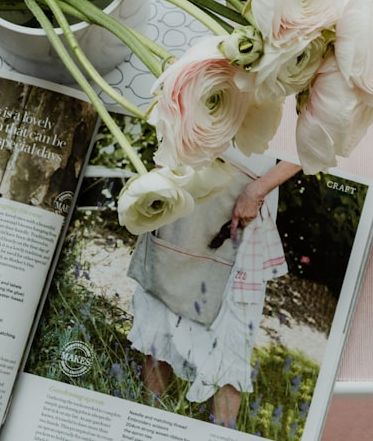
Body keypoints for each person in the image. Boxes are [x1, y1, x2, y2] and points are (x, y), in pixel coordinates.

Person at [127, 152, 302, 428]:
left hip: (246, 192)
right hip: (190, 172)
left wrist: (258, 190)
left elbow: (313, 146)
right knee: (161, 302)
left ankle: (220, 433)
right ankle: (146, 427)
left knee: (232, 335)